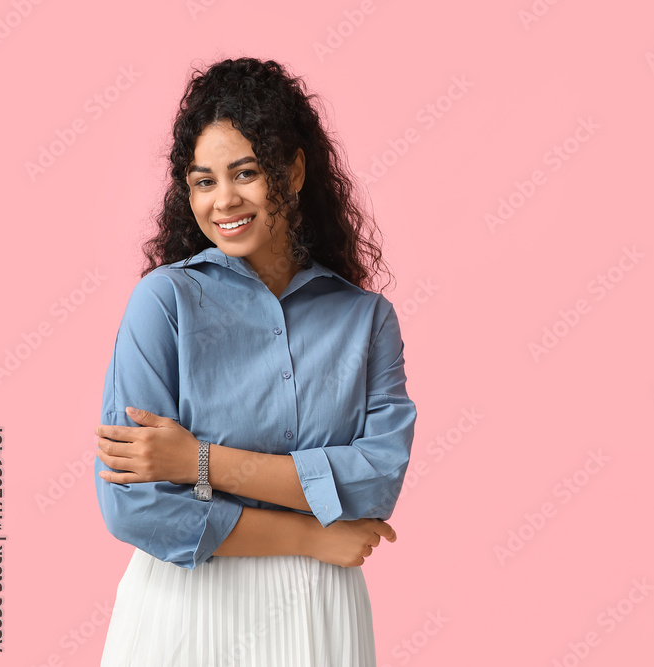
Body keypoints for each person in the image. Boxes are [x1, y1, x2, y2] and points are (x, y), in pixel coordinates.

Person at [92, 56, 416, 666]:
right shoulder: (164, 302)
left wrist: (197, 461)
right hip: (186, 607)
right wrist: (309, 534)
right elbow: (134, 504)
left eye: (245, 172)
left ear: (293, 170)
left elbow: (375, 481)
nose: (224, 201)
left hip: (319, 610)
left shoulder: (365, 319)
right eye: (203, 181)